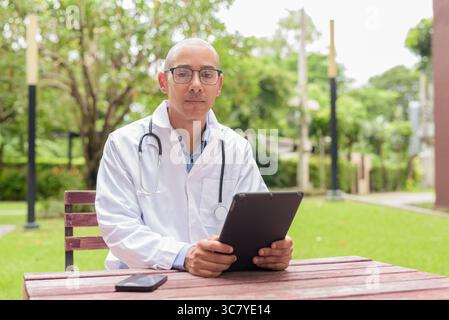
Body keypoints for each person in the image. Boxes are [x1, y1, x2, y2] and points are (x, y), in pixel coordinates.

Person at [95, 38, 293, 278]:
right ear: (162, 82)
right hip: (143, 280)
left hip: (218, 283)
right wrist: (184, 256)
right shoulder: (123, 144)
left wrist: (271, 250)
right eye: (183, 73)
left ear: (218, 85)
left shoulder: (236, 148)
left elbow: (257, 219)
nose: (196, 85)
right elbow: (119, 228)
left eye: (207, 74)